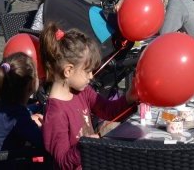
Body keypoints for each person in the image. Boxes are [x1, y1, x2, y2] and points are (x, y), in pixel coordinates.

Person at [40, 23, 134, 170]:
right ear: (68, 71)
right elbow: (62, 162)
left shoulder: (82, 91)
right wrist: (84, 146)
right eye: (88, 71)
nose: (91, 76)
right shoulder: (55, 114)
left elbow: (106, 110)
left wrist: (129, 98)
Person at [0, 52, 45, 166]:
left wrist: (32, 111)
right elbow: (43, 142)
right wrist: (44, 125)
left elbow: (13, 120)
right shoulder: (18, 115)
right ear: (31, 84)